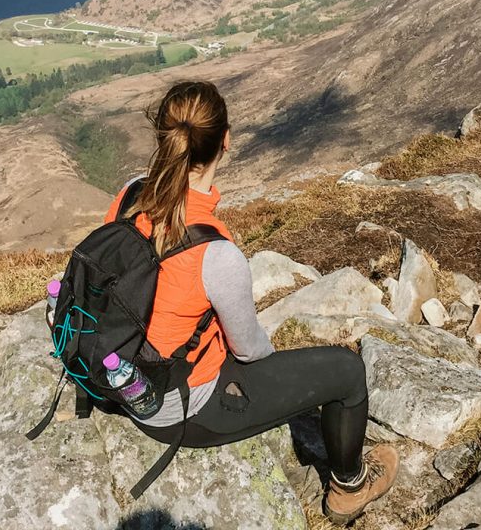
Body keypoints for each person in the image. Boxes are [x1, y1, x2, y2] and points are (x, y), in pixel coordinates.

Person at [104, 80, 398, 526]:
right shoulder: (215, 252)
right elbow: (249, 350)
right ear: (225, 140)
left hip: (125, 375)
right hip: (183, 407)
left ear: (163, 136)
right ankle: (349, 487)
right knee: (347, 371)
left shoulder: (129, 195)